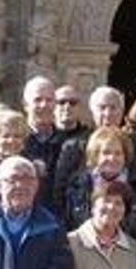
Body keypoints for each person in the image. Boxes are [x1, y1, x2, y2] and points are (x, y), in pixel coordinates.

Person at [61, 127, 136, 240]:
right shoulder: (76, 187)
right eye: (106, 153)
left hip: (128, 254)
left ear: (125, 157)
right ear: (95, 156)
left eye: (118, 153)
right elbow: (68, 226)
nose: (112, 158)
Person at [53, 84, 136, 202]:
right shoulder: (73, 146)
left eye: (113, 108)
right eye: (102, 108)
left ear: (122, 111)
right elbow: (60, 191)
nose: (108, 114)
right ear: (92, 111)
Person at [21, 75, 83, 204]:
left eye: (49, 100)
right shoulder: (15, 141)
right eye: (37, 100)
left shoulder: (70, 145)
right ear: (25, 105)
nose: (44, 105)